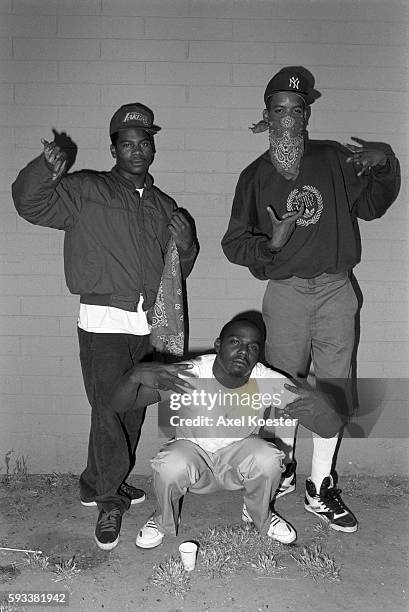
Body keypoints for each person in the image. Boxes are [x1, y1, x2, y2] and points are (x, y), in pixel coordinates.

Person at [12, 102, 199, 551]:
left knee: (133, 407)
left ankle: (97, 481)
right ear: (113, 148)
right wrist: (45, 169)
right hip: (103, 320)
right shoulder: (86, 189)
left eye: (144, 141)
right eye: (127, 143)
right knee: (108, 409)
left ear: (153, 147)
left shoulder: (163, 205)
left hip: (148, 322)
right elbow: (29, 203)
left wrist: (188, 246)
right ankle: (108, 498)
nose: (137, 150)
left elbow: (174, 271)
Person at [221, 67, 401, 533]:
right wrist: (273, 246)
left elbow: (373, 205)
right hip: (286, 292)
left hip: (336, 286)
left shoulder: (334, 159)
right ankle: (278, 472)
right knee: (281, 387)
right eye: (278, 110)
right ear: (266, 116)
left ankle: (320, 485)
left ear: (306, 115)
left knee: (334, 389)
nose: (287, 119)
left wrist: (384, 166)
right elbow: (235, 243)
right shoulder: (254, 177)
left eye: (296, 110)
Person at [122, 317, 344, 550]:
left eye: (253, 347)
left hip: (236, 466)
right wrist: (134, 375)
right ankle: (162, 519)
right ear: (218, 345)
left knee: (268, 457)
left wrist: (326, 405)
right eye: (235, 342)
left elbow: (328, 429)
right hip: (194, 463)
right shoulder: (191, 373)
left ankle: (259, 515)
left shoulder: (266, 380)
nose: (243, 352)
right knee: (170, 462)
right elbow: (119, 404)